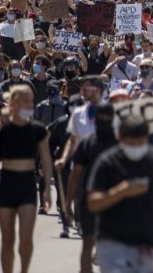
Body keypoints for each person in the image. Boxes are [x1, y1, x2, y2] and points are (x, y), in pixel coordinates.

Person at [86, 115, 153, 272]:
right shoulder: (108, 162)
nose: (136, 148)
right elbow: (93, 203)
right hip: (113, 242)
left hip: (148, 244)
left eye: (140, 143)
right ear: (120, 138)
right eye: (131, 143)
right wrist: (120, 192)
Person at [0, 85, 51, 273]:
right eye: (24, 101)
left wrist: (47, 189)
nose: (29, 104)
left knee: (25, 238)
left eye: (31, 101)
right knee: (7, 240)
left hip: (27, 185)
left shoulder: (38, 129)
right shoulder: (3, 127)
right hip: (7, 184)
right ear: (13, 103)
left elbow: (47, 160)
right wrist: (1, 121)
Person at [65, 103, 117, 273]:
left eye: (107, 117)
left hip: (113, 199)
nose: (104, 121)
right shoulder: (87, 143)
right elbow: (75, 176)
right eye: (102, 117)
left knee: (108, 244)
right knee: (88, 243)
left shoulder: (119, 143)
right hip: (89, 198)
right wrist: (67, 204)